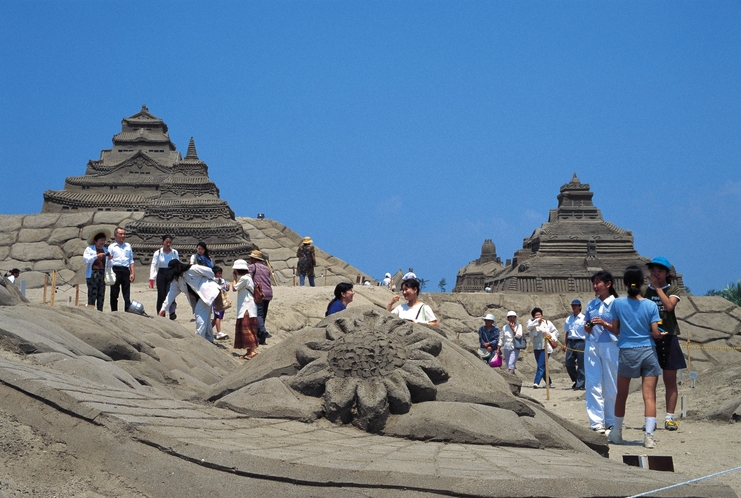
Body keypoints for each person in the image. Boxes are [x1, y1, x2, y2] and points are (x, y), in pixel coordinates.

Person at [607, 265, 666, 449]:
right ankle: (648, 436)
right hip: (648, 350)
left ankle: (617, 432)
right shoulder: (650, 305)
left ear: (624, 284)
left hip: (627, 350)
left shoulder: (617, 303)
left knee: (621, 394)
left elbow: (616, 329)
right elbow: (655, 332)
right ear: (642, 283)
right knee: (649, 396)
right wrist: (659, 334)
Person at [643, 256, 686, 432]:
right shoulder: (647, 291)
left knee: (670, 381)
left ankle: (669, 417)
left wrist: (658, 288)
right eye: (653, 270)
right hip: (652, 338)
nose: (655, 273)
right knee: (650, 382)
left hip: (669, 337)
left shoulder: (673, 289)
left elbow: (669, 306)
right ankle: (650, 418)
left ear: (667, 273)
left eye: (660, 270)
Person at [583, 271, 620, 434]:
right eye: (594, 283)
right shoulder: (591, 304)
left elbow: (619, 329)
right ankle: (596, 422)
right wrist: (589, 326)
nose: (595, 286)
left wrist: (604, 323)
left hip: (610, 345)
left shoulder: (617, 304)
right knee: (592, 383)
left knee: (611, 384)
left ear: (608, 284)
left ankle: (611, 420)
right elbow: (585, 327)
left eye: (598, 282)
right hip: (592, 344)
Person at [159, 259, 220, 343]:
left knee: (199, 315)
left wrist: (213, 280)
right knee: (206, 318)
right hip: (197, 299)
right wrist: (163, 309)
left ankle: (200, 340)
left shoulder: (193, 269)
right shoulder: (176, 281)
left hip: (207, 293)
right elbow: (171, 295)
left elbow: (209, 271)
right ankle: (209, 339)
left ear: (179, 267)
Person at [231, 259, 259, 359]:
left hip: (246, 308)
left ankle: (252, 352)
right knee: (248, 329)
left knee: (247, 329)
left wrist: (234, 278)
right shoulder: (248, 278)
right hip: (248, 307)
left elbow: (234, 288)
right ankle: (250, 351)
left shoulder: (244, 279)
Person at [526, 307, 559, 388]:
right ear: (533, 316)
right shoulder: (531, 322)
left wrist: (551, 336)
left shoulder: (547, 323)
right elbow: (528, 327)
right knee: (542, 366)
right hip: (536, 347)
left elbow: (555, 331)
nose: (538, 316)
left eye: (539, 314)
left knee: (541, 365)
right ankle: (549, 383)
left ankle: (536, 382)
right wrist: (537, 321)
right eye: (536, 315)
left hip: (546, 348)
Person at [149, 235, 179, 320]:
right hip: (161, 274)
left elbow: (178, 264)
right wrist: (152, 277)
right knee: (161, 295)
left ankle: (172, 312)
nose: (168, 244)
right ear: (163, 242)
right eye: (167, 242)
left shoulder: (174, 252)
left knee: (171, 293)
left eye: (170, 242)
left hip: (171, 273)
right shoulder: (158, 253)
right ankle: (161, 314)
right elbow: (154, 265)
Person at [82, 228, 112, 311]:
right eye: (100, 240)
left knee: (101, 294)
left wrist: (109, 259)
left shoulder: (105, 250)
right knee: (92, 293)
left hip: (102, 273)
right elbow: (86, 260)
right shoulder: (89, 249)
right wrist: (97, 256)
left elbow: (108, 265)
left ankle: (100, 311)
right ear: (96, 240)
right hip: (93, 273)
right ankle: (91, 310)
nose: (102, 242)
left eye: (103, 240)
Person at [248, 250, 273, 345]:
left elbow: (248, 279)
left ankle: (262, 331)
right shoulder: (266, 268)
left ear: (254, 259)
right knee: (263, 314)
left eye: (251, 258)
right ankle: (260, 338)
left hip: (259, 293)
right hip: (269, 293)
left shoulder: (252, 267)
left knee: (258, 313)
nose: (250, 259)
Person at [107, 227, 135, 312]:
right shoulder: (111, 247)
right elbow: (108, 260)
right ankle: (114, 311)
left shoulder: (128, 246)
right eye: (121, 234)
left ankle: (127, 311)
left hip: (125, 270)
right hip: (115, 270)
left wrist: (132, 273)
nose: (123, 236)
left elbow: (131, 260)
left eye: (124, 234)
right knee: (114, 293)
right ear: (115, 235)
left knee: (126, 293)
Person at [564, 299, 586, 390]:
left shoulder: (584, 318)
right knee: (568, 363)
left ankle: (580, 384)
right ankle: (577, 380)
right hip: (571, 342)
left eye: (576, 305)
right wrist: (565, 344)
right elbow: (567, 332)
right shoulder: (569, 319)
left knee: (581, 364)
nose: (574, 307)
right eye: (572, 305)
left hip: (580, 342)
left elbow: (588, 331)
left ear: (580, 306)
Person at [499, 310, 524, 375]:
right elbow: (501, 338)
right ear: (507, 318)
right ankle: (514, 378)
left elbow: (519, 336)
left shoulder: (519, 326)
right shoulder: (505, 327)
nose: (512, 319)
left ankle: (510, 379)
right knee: (509, 365)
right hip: (506, 347)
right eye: (510, 317)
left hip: (515, 346)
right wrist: (498, 348)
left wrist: (513, 329)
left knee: (511, 364)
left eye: (513, 317)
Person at [212, 266, 230, 340]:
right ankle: (219, 332)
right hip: (216, 300)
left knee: (218, 317)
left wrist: (226, 286)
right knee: (218, 316)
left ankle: (208, 329)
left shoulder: (223, 280)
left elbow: (227, 288)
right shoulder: (212, 280)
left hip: (222, 300)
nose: (220, 275)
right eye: (219, 273)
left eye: (221, 273)